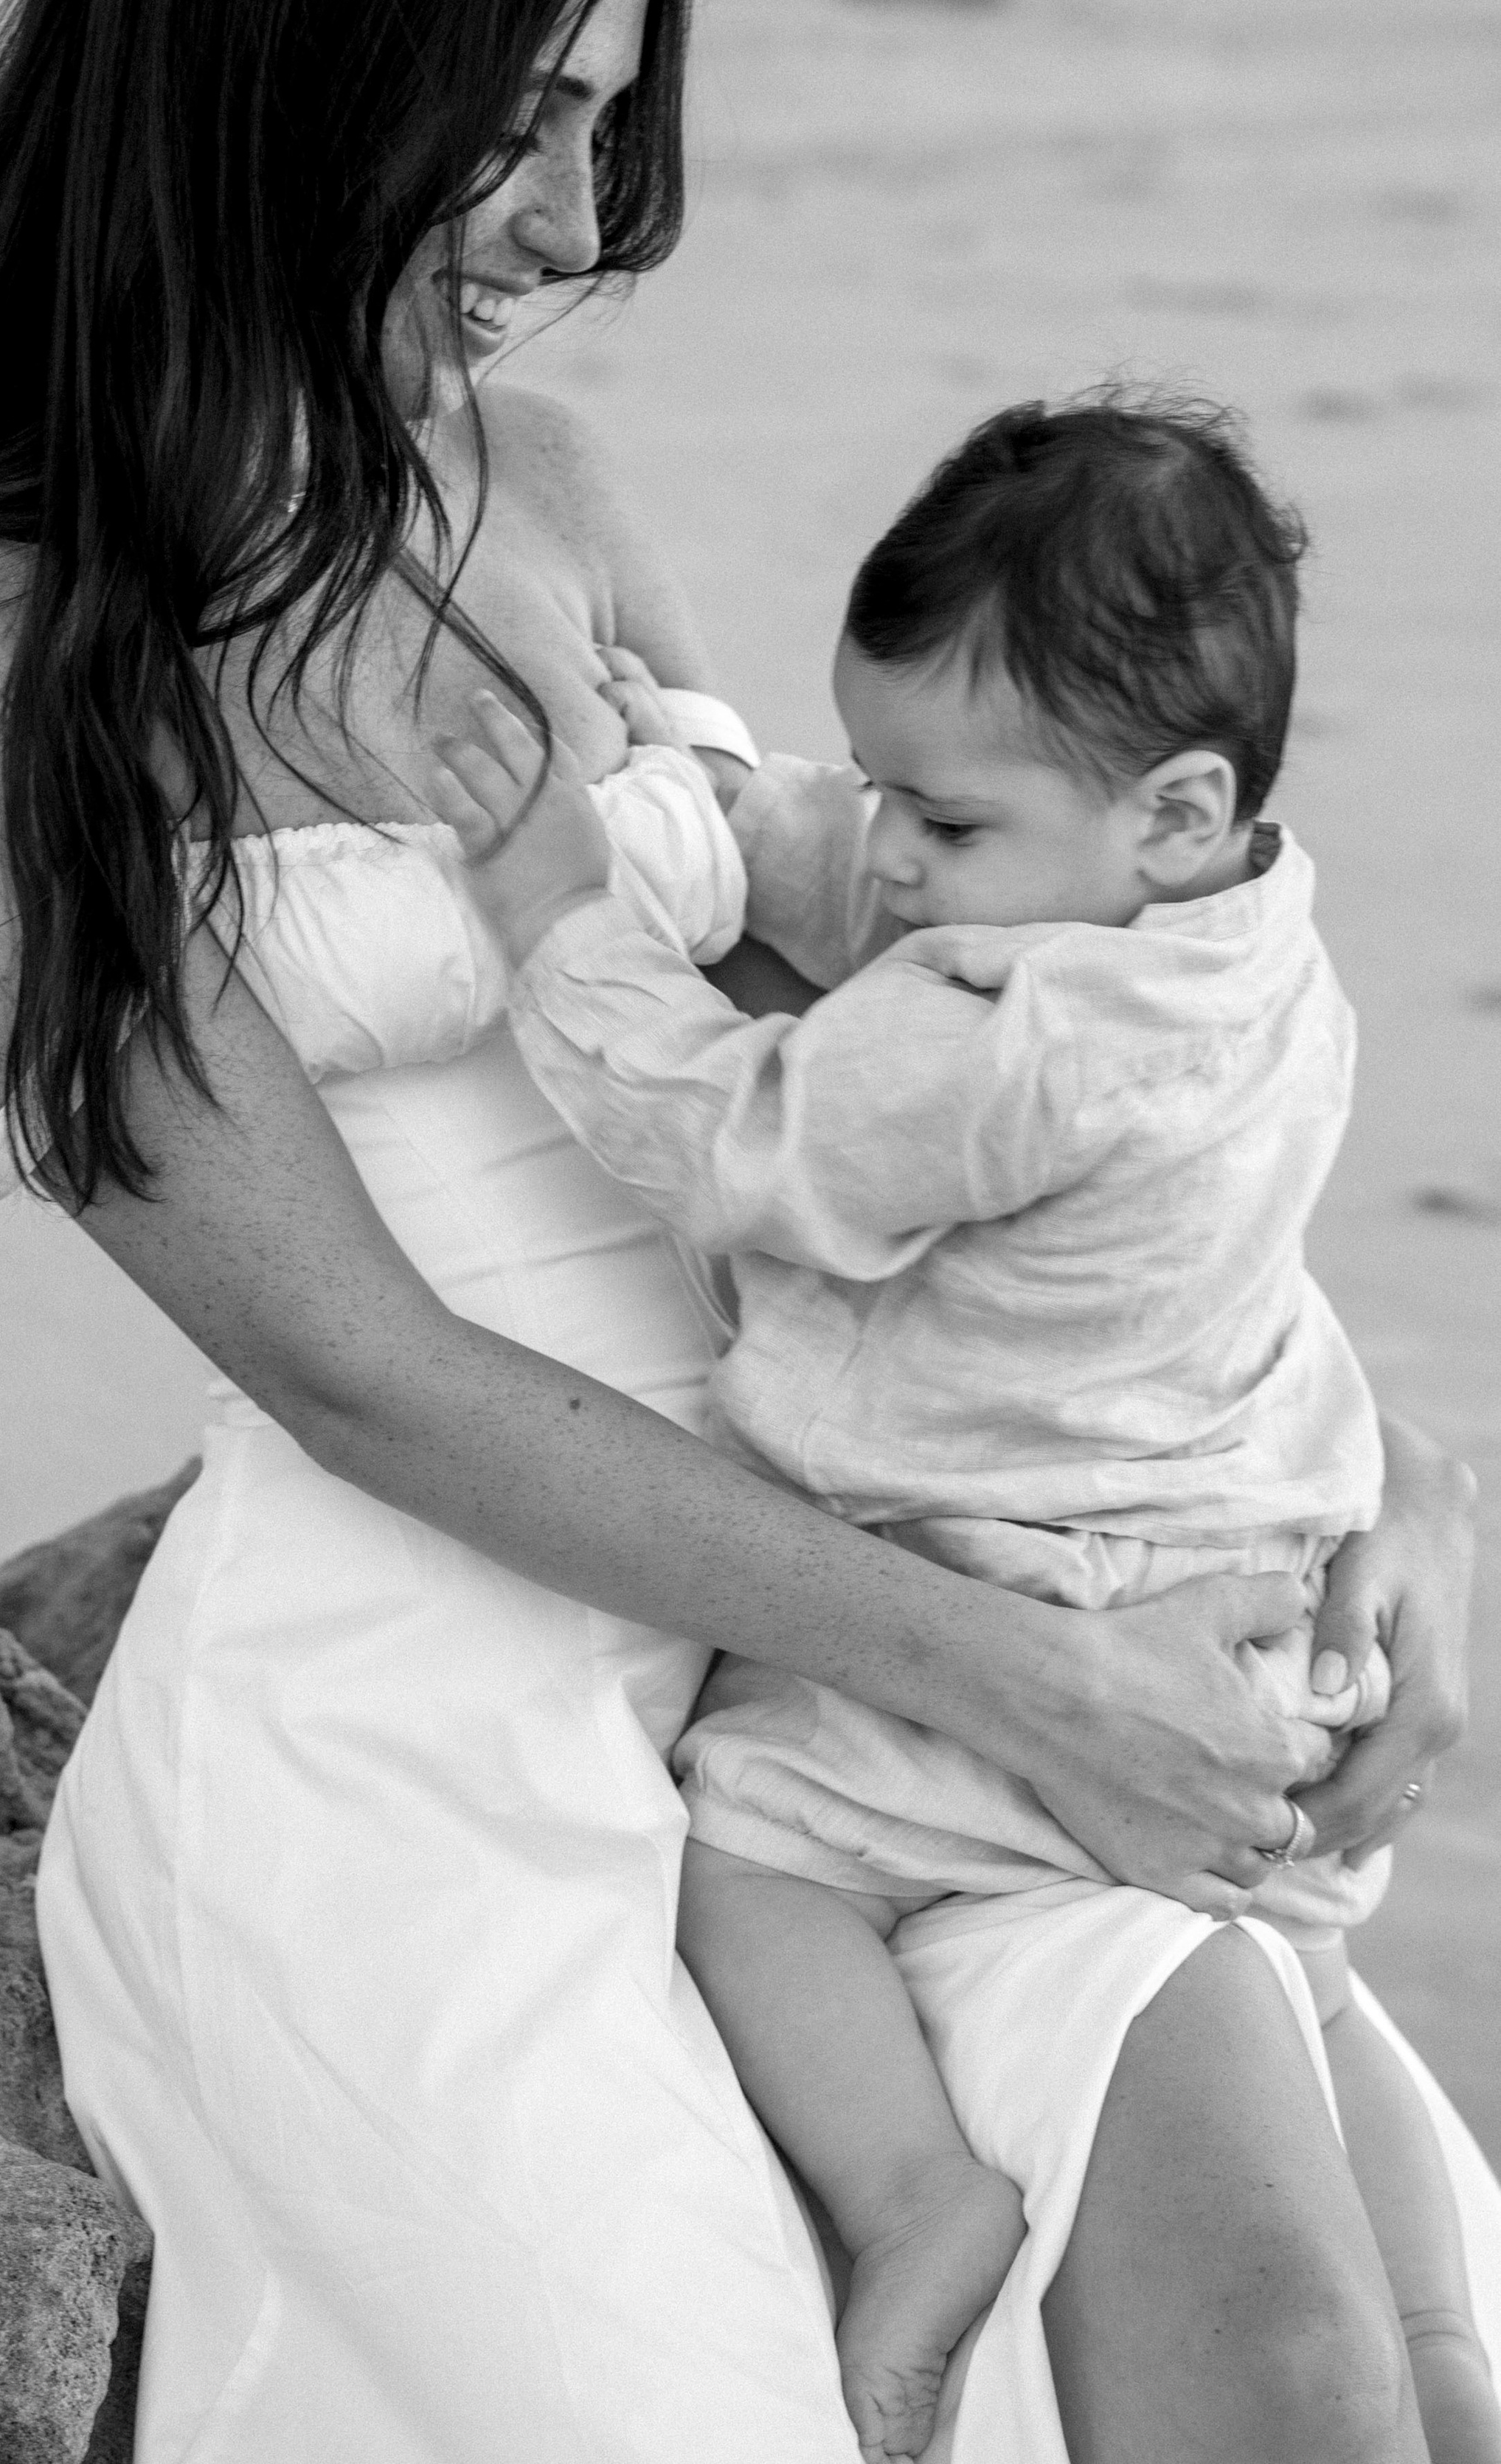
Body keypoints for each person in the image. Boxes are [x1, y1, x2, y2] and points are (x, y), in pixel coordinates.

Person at [0, 0, 1488, 2460]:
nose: (575, 213)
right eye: (513, 117)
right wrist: (1024, 1678)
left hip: (887, 1600)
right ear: (284, 63)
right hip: (450, 1700)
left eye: (610, 121)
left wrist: (1374, 1498)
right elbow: (343, 1353)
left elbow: (969, 1066)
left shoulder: (538, 491)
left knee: (1319, 2370)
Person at [427, 390, 1501, 2464]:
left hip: (1021, 1604)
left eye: (948, 821)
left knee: (751, 1852)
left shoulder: (1000, 1044)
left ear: (1172, 812)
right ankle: (1450, 2338)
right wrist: (738, 806)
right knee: (1309, 1971)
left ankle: (918, 2199)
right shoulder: (1236, 936)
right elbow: (878, 861)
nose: (896, 857)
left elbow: (739, 1141)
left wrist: (570, 902)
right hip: (1256, 1599)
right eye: (886, 794)